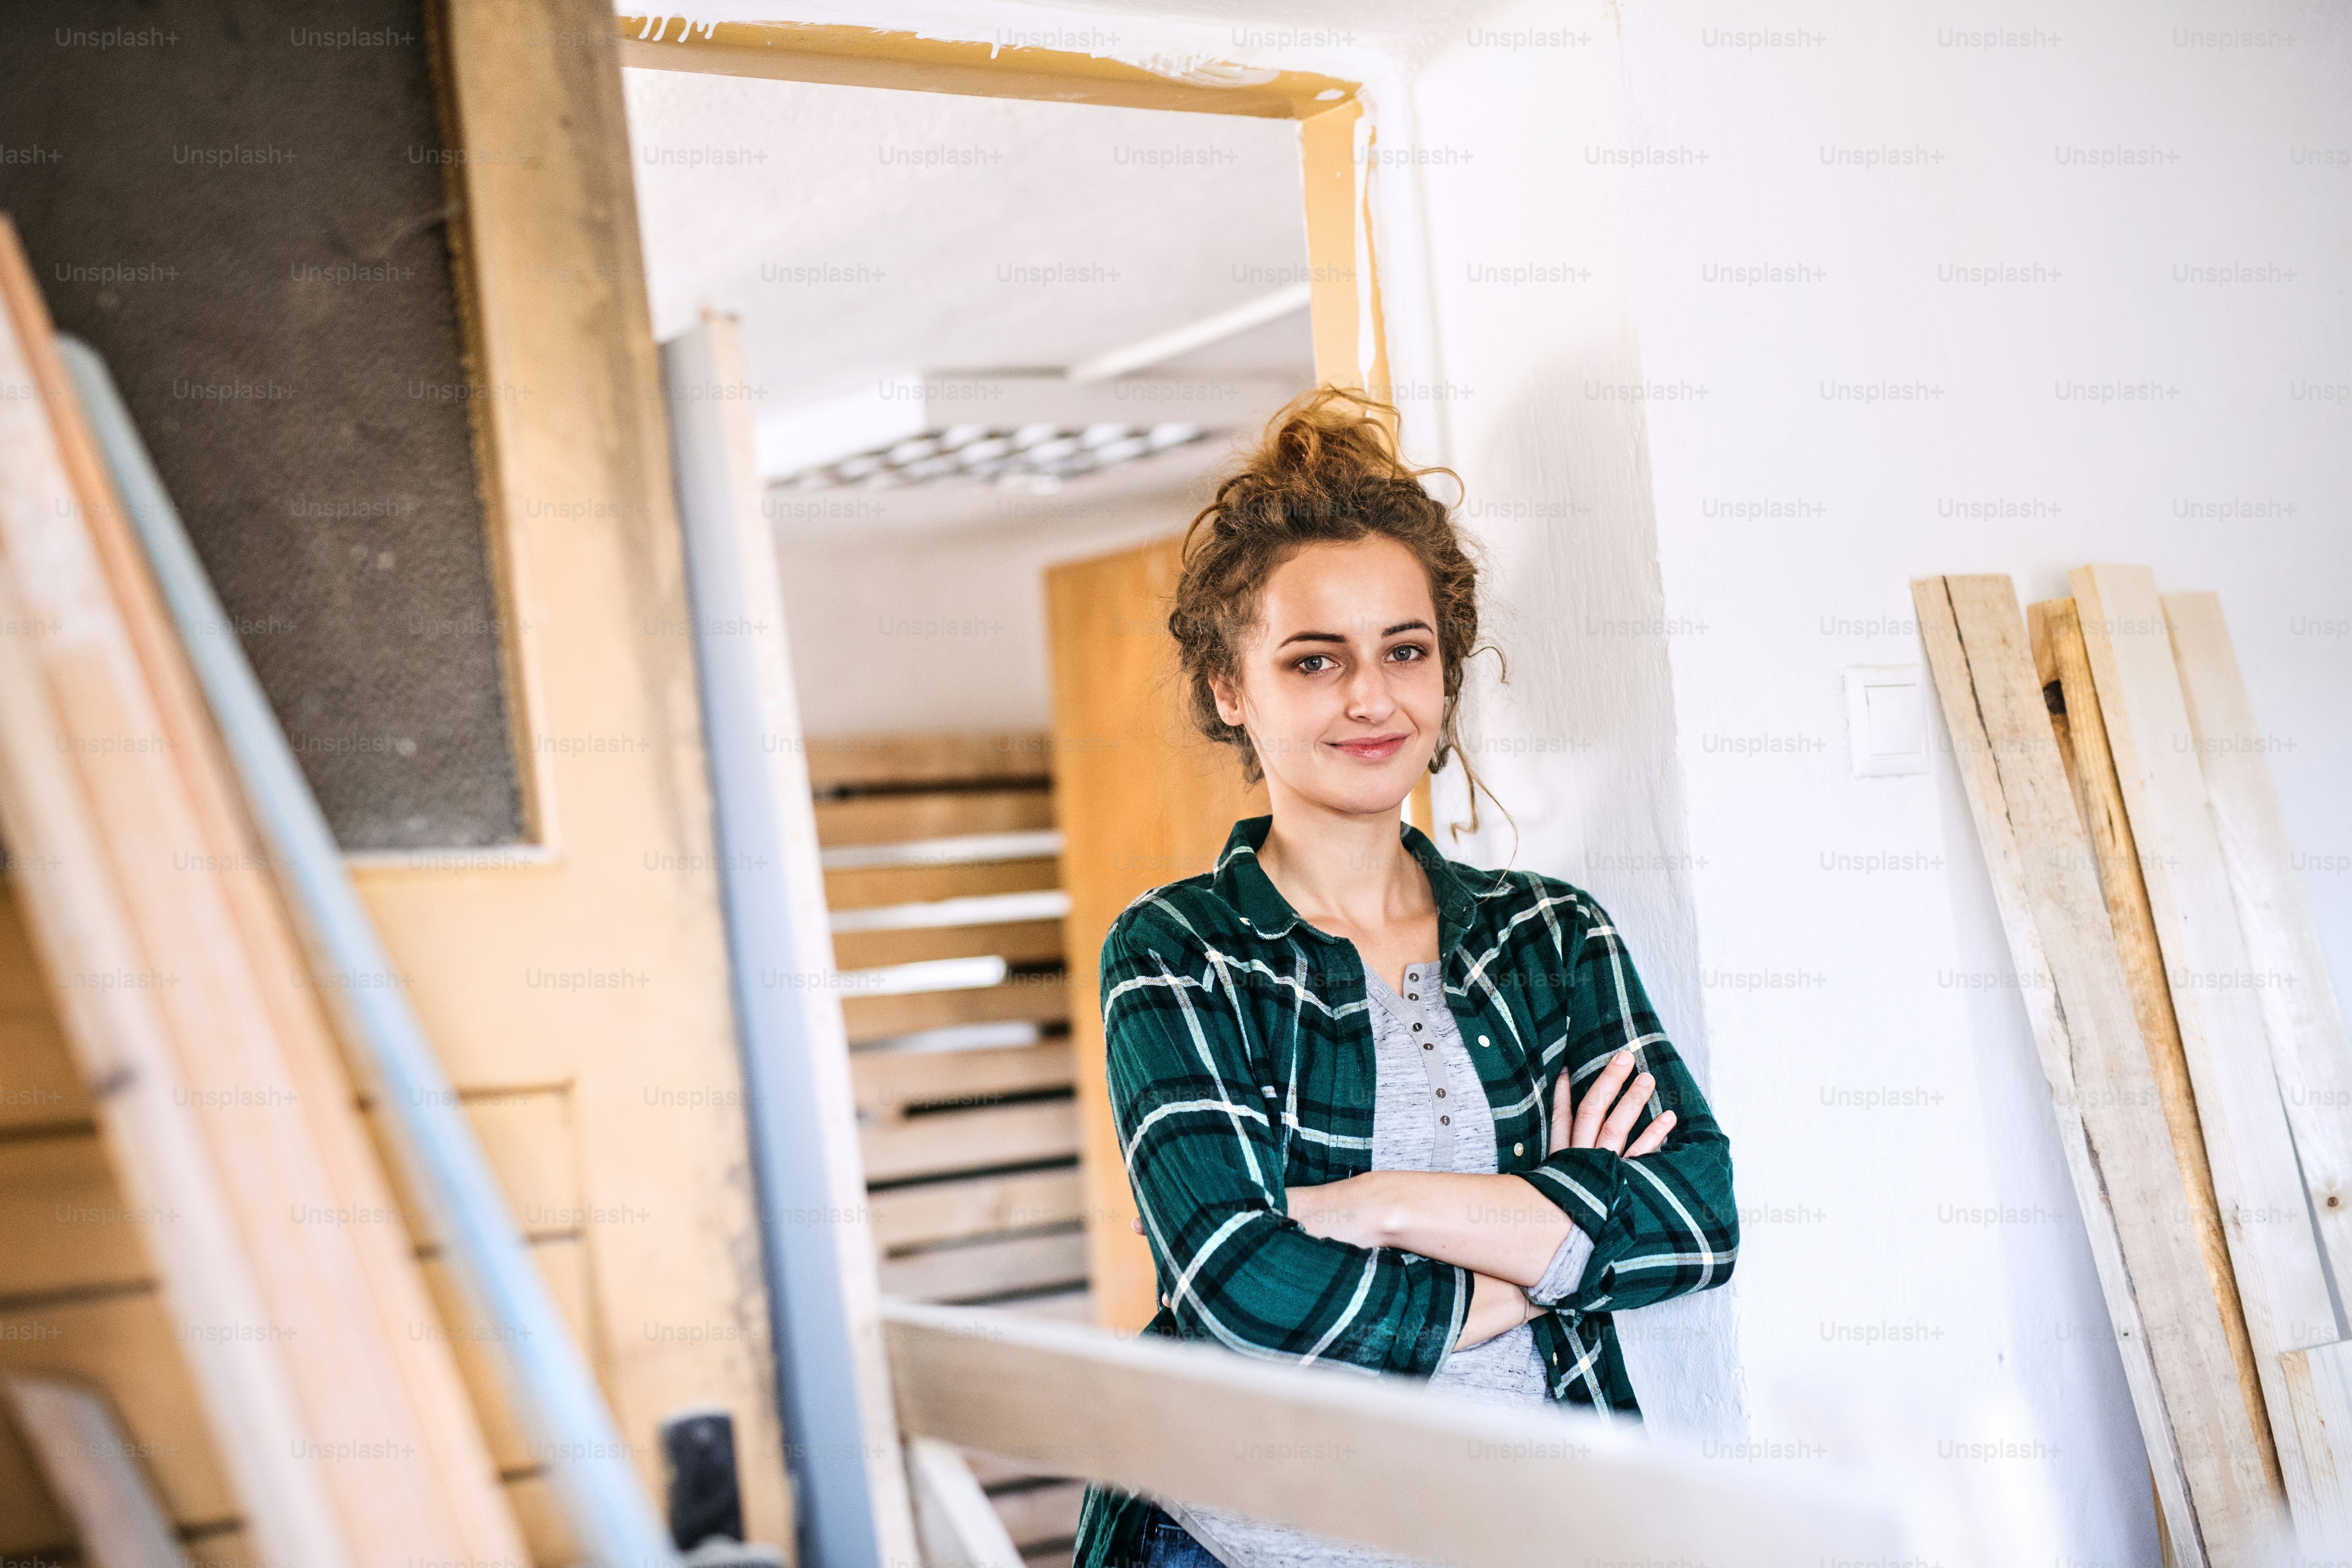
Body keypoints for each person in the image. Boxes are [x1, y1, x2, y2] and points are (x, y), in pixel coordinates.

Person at [1068, 388, 1740, 1568]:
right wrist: (1546, 1246)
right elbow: (1242, 1284)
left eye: (1405, 651)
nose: (1372, 698)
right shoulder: (1178, 953)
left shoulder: (1551, 938)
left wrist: (1380, 1204)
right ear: (1234, 691)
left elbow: (1695, 1216)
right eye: (1315, 661)